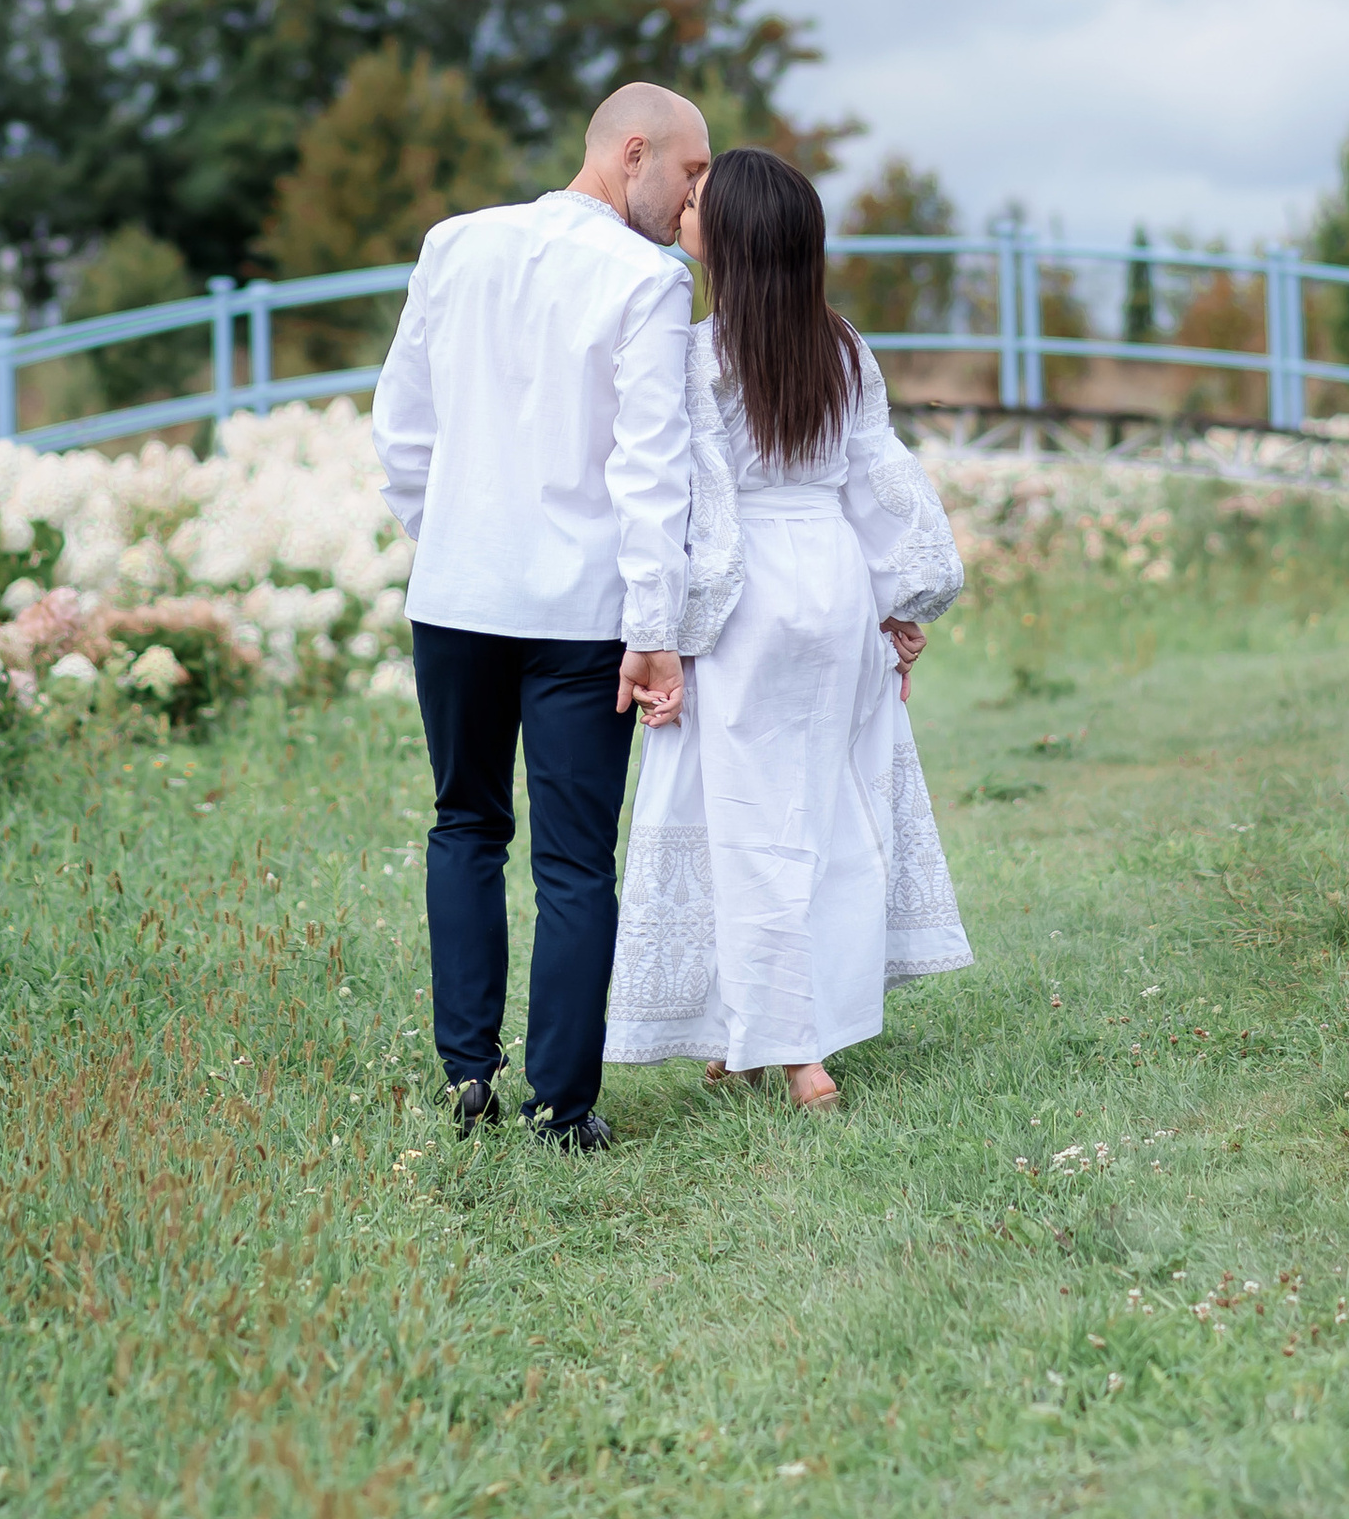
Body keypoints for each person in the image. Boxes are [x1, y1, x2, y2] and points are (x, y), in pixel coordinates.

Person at [373, 81, 712, 1150]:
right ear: (631, 151)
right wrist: (655, 627)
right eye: (690, 174)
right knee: (574, 861)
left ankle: (466, 1076)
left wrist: (454, 541)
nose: (694, 200)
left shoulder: (451, 245)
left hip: (457, 598)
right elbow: (649, 471)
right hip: (581, 611)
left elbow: (402, 432)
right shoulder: (648, 283)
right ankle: (562, 1109)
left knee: (463, 825)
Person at [605, 140, 970, 1109]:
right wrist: (900, 602)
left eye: (697, 207)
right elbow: (879, 481)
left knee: (745, 823)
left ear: (722, 242)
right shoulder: (842, 348)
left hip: (749, 598)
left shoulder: (699, 356)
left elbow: (697, 509)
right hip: (835, 583)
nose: (683, 211)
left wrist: (671, 631)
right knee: (829, 809)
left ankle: (797, 1050)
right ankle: (752, 1029)